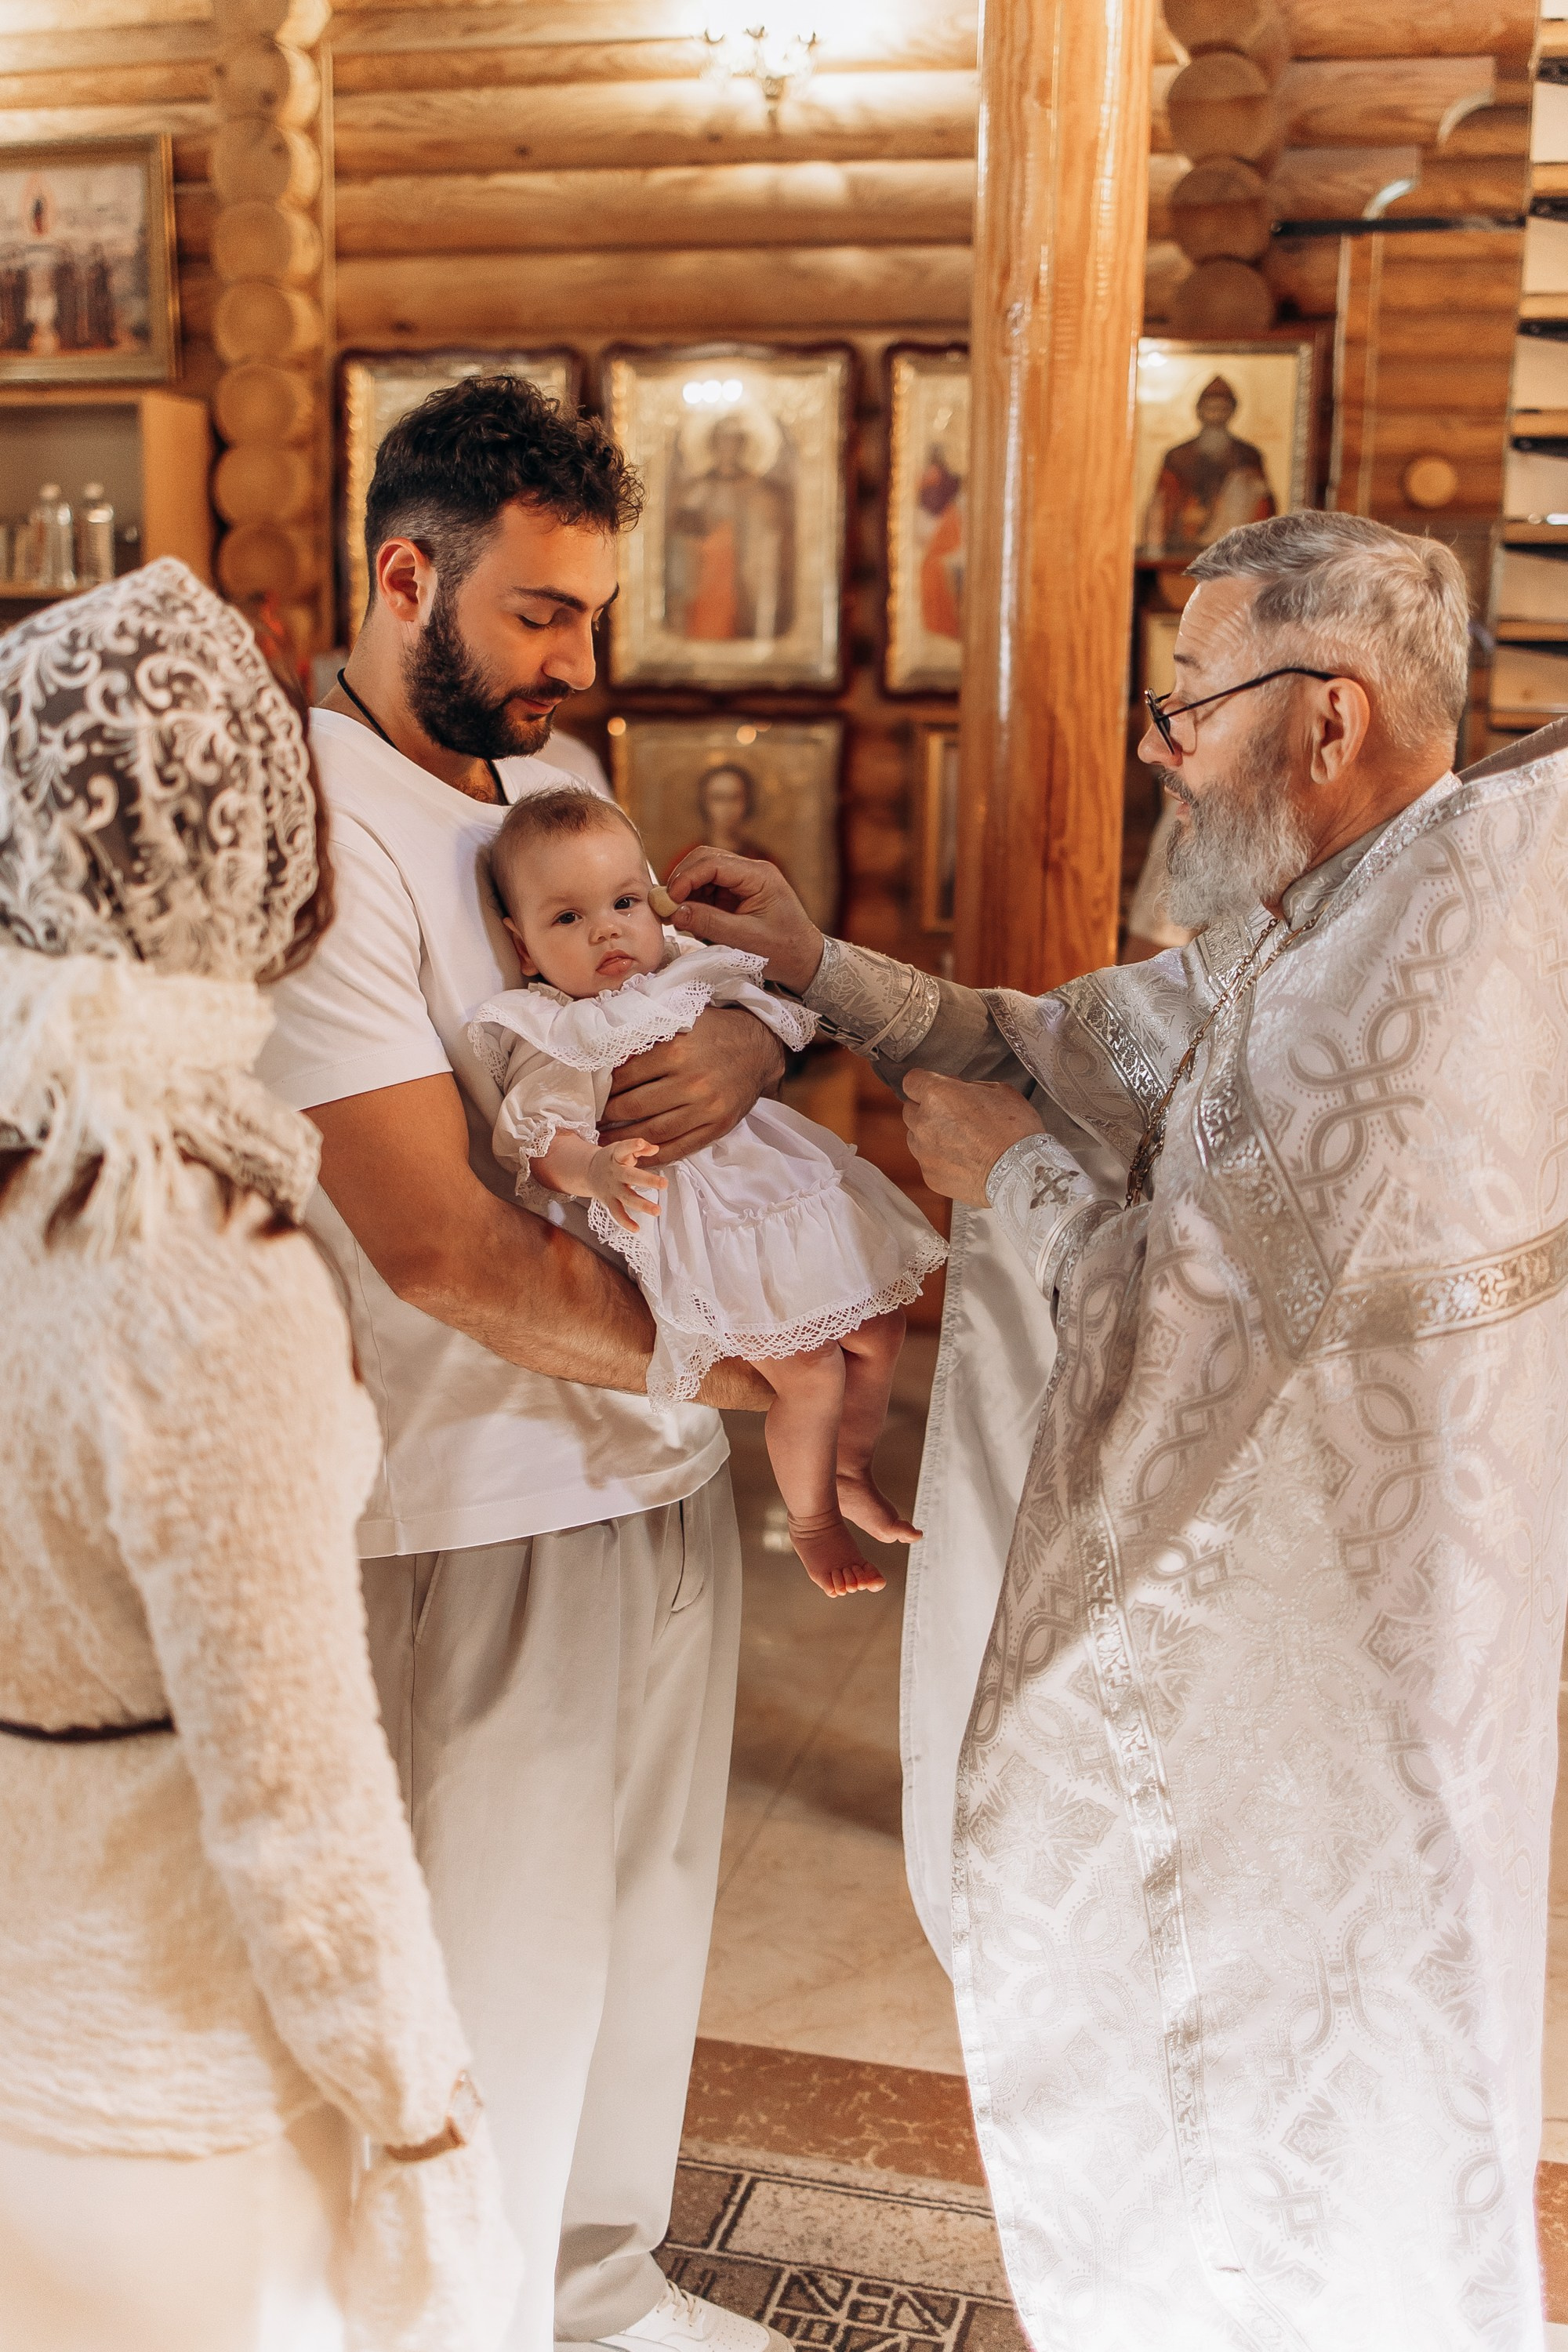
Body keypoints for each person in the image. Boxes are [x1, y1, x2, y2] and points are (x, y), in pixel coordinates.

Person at [662, 511, 1568, 2349]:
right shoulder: (1328, 902)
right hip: (1285, 1656)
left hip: (1317, 1694)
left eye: (1185, 707)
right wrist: (823, 971)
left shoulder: (1448, 948)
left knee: (1296, 2099)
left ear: (1323, 715)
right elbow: (1080, 1040)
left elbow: (1221, 1327)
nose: (1156, 746)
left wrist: (1015, 1203)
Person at [256, 376, 792, 2352]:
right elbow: (427, 1233)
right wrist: (769, 1372)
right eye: (541, 614)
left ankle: (596, 2288)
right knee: (483, 1961)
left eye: (590, 612)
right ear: (408, 575)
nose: (579, 659)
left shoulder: (522, 782)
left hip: (638, 1442)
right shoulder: (319, 822)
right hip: (467, 1474)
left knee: (637, 1916)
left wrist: (756, 1041)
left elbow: (648, 1002)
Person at [0, 559, 518, 2352]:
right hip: (162, 2094)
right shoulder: (195, 1269)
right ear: (263, 863)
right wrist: (419, 2113)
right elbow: (297, 1805)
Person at [470, 786, 945, 1597]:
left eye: (623, 901)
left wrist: (753, 1029)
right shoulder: (562, 1029)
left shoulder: (689, 971)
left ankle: (851, 1467)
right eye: (568, 919)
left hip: (776, 1191)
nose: (607, 929)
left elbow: (785, 1020)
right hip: (703, 1222)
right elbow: (541, 1136)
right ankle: (811, 1522)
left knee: (882, 1332)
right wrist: (592, 1171)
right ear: (521, 946)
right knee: (811, 1370)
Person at [1140, 374, 1276, 559]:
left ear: (1233, 411)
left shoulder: (1248, 455)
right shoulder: (1178, 455)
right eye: (1210, 408)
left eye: (1222, 409)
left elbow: (1263, 508)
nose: (1216, 414)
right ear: (1198, 410)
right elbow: (1161, 504)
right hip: (1181, 548)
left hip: (1232, 551)